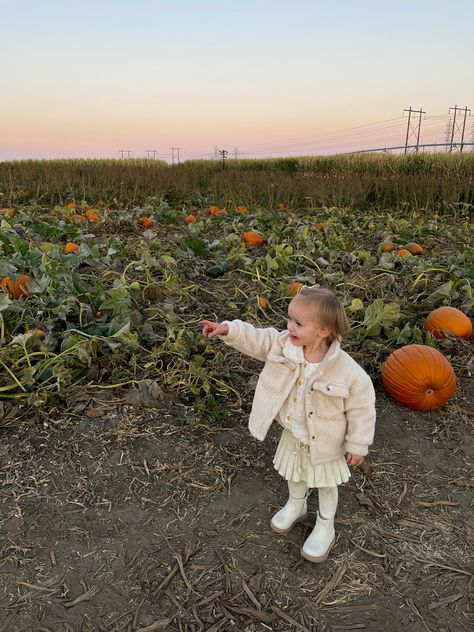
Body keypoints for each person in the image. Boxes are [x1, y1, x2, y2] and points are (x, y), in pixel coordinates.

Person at [200, 286, 376, 563]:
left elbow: (362, 407)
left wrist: (358, 444)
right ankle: (296, 504)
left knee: (326, 484)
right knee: (294, 473)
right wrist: (227, 330)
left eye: (298, 323)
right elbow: (258, 338)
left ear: (323, 331)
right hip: (294, 432)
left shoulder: (348, 371)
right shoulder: (283, 344)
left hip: (326, 441)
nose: (289, 326)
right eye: (289, 319)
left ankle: (325, 524)